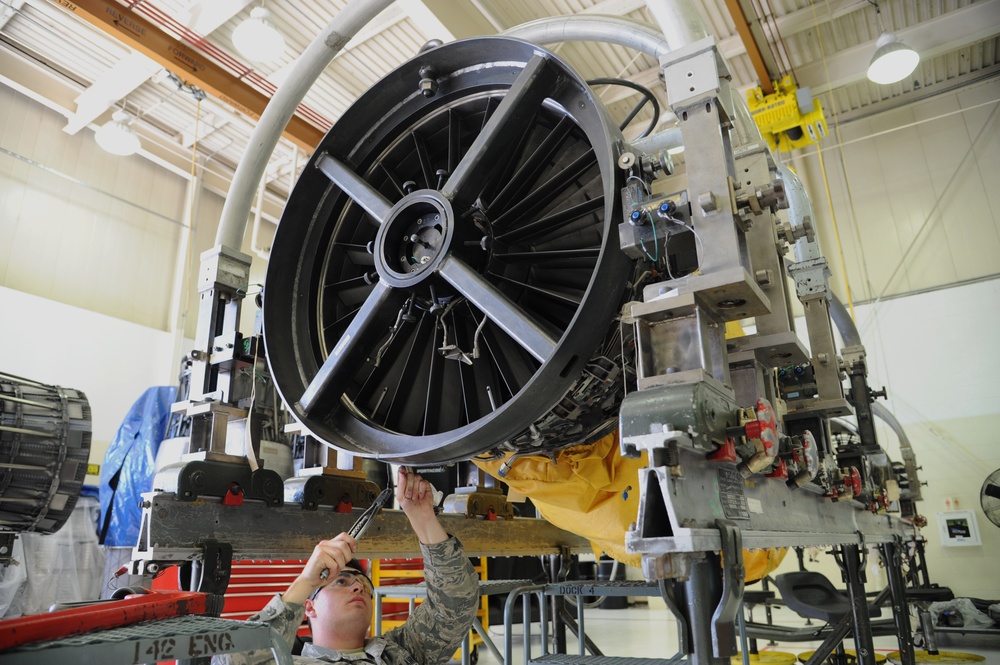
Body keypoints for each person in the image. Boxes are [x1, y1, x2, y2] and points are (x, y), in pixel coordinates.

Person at [215, 468, 479, 664]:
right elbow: (233, 660)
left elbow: (456, 604)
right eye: (341, 581)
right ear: (310, 606)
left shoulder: (399, 652)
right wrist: (305, 582)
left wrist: (423, 519)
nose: (358, 587)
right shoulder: (287, 661)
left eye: (366, 586)